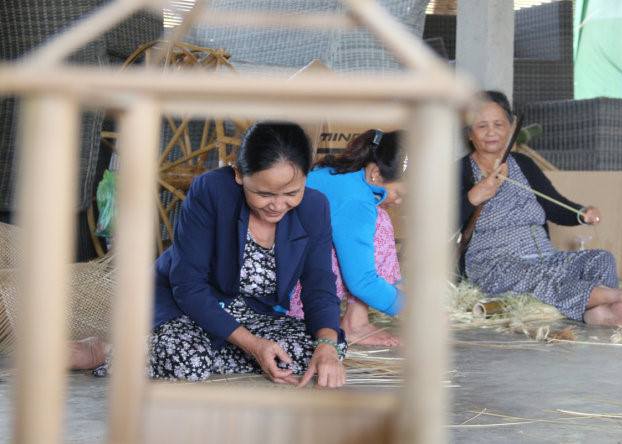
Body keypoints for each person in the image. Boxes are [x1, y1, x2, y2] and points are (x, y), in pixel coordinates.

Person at [73, 122, 346, 387]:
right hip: (183, 305)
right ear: (239, 174)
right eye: (264, 193)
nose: (277, 205)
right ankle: (104, 350)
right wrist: (253, 345)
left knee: (321, 350)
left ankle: (178, 351)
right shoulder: (211, 191)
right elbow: (188, 285)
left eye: (291, 192)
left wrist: (327, 346)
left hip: (248, 314)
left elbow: (319, 283)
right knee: (189, 362)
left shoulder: (315, 207)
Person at [459, 90, 622, 326]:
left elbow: (552, 204)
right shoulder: (459, 171)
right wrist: (474, 195)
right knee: (538, 277)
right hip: (494, 264)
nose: (491, 132)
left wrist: (580, 214)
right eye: (481, 126)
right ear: (470, 133)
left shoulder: (523, 164)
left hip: (544, 257)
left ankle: (597, 313)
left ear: (510, 128)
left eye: (498, 124)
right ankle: (621, 296)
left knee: (601, 259)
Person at [289, 130, 406, 346]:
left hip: (285, 273)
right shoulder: (357, 201)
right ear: (375, 174)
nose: (399, 202)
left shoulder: (340, 175)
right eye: (399, 194)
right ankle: (355, 325)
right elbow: (362, 282)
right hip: (290, 294)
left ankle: (356, 321)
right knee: (380, 223)